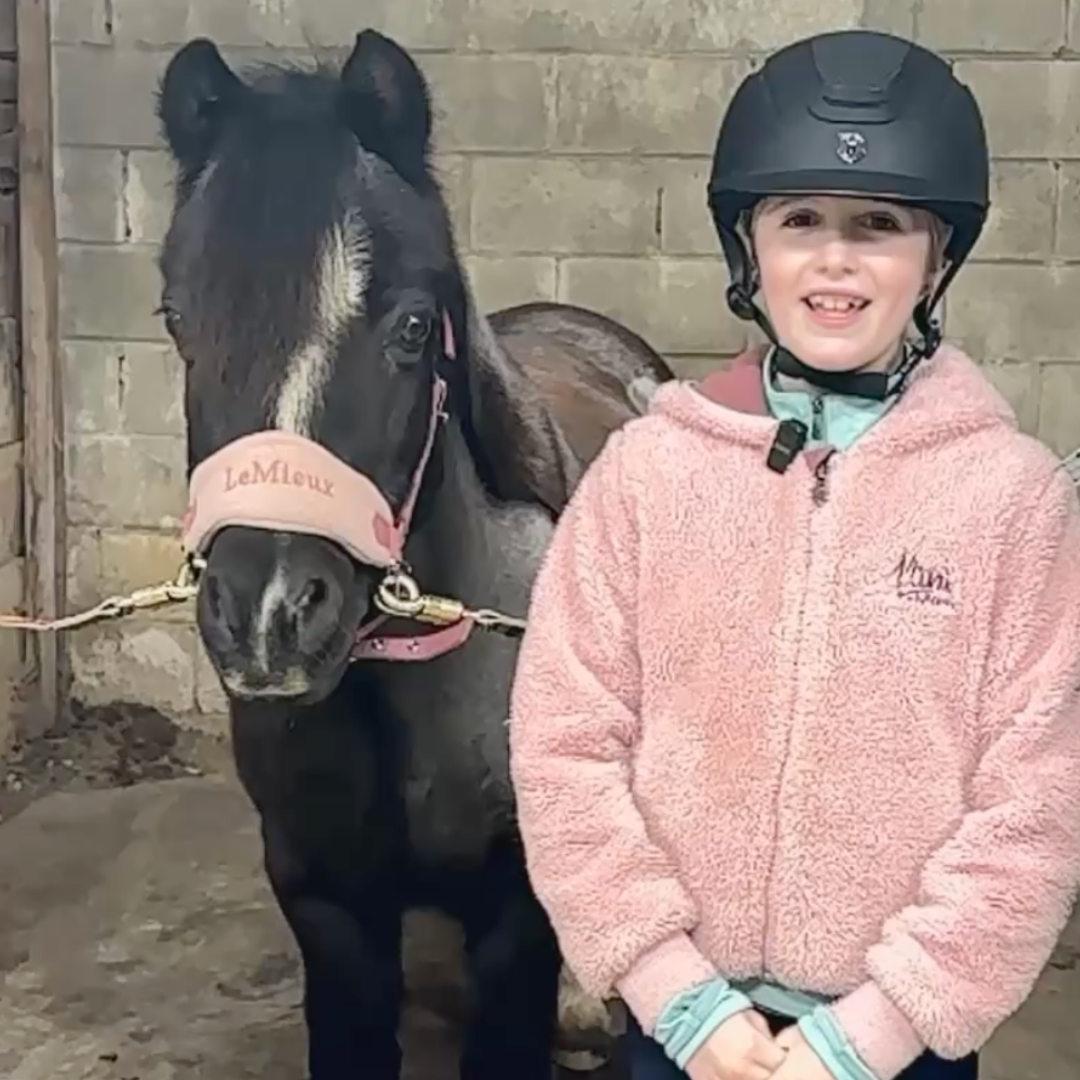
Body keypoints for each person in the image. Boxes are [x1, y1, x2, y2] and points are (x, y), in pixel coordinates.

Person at [508, 27, 1080, 1080]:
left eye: (879, 225)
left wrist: (868, 1038)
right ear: (748, 247)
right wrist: (675, 999)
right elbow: (564, 746)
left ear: (937, 257)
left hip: (900, 1041)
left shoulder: (1011, 502)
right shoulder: (646, 476)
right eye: (800, 219)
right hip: (683, 1027)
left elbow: (1033, 806)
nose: (835, 259)